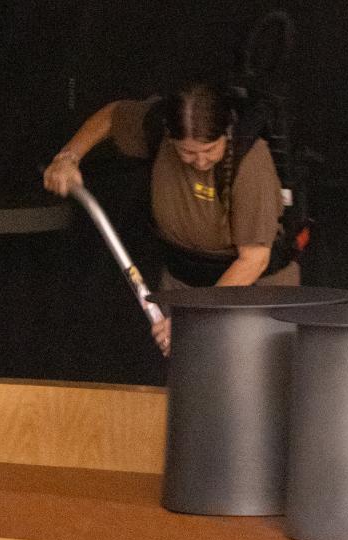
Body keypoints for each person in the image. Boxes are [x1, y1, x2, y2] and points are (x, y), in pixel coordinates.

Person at [42, 83, 297, 354]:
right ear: (170, 137)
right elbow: (112, 115)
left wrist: (192, 316)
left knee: (243, 382)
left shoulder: (250, 159)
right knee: (186, 380)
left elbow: (254, 260)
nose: (200, 162)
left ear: (226, 133)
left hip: (249, 292)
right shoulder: (155, 129)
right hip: (182, 282)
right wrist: (68, 157)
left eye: (210, 149)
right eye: (187, 152)